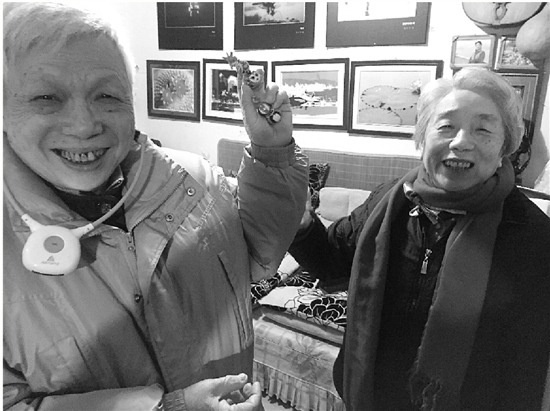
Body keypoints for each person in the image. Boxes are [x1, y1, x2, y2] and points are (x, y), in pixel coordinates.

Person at [3, 2, 308, 411]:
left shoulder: (196, 181)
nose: (84, 125)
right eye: (46, 97)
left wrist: (271, 151)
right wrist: (169, 408)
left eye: (107, 95)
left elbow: (261, 255)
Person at [289, 67, 550, 410]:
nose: (461, 142)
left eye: (483, 129)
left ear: (505, 145)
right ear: (423, 136)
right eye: (446, 126)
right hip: (371, 397)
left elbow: (527, 366)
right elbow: (331, 260)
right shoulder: (389, 202)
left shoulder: (532, 236)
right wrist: (303, 224)